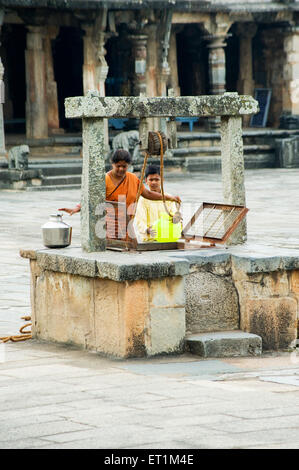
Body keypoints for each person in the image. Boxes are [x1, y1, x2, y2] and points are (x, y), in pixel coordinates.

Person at [59, 149, 181, 218]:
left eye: (124, 166)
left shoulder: (133, 179)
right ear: (112, 164)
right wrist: (76, 209)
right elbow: (90, 197)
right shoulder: (104, 179)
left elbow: (148, 194)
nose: (121, 169)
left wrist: (169, 198)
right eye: (118, 166)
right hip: (107, 225)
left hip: (127, 225)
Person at [134, 165, 182, 242]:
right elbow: (140, 221)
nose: (154, 182)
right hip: (150, 239)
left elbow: (174, 214)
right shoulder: (142, 200)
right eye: (151, 180)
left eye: (156, 179)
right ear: (146, 181)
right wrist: (147, 230)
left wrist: (176, 217)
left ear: (162, 180)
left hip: (168, 237)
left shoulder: (169, 198)